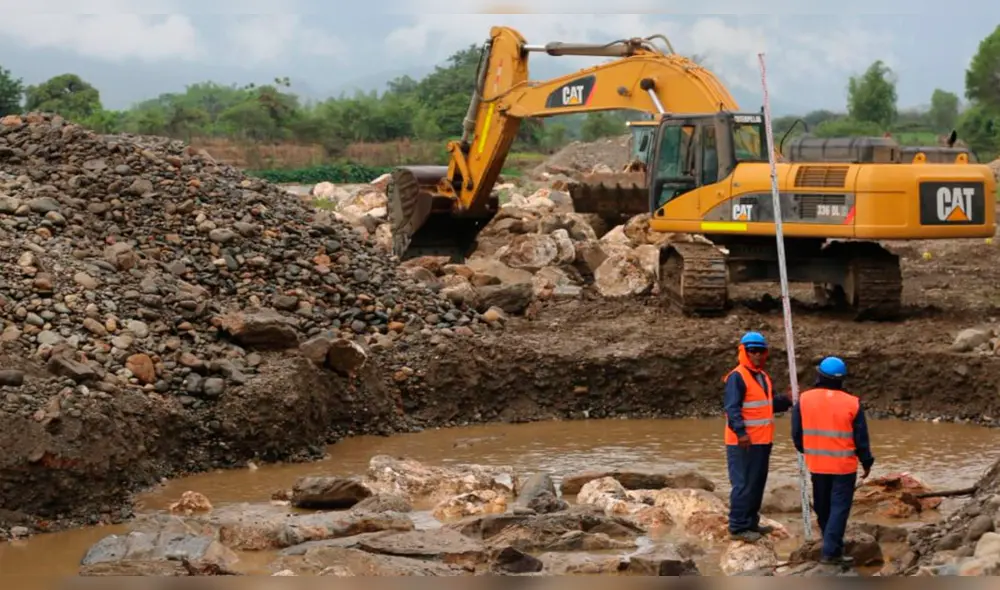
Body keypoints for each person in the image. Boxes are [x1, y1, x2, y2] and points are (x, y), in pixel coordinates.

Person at [791, 356, 875, 566]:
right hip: (844, 466)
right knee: (839, 507)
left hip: (817, 463)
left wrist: (807, 450)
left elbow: (796, 433)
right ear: (841, 379)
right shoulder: (852, 403)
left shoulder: (804, 399)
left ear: (820, 375)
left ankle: (832, 546)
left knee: (823, 505)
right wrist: (867, 462)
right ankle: (830, 552)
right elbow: (861, 438)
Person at [723, 331, 793, 542]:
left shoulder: (763, 377)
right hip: (743, 443)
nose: (757, 355)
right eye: (752, 351)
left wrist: (788, 399)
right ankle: (738, 527)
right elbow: (732, 408)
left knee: (756, 483)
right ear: (744, 352)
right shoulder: (737, 377)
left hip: (762, 441)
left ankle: (751, 522)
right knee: (743, 485)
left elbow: (769, 405)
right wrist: (741, 433)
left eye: (761, 351)